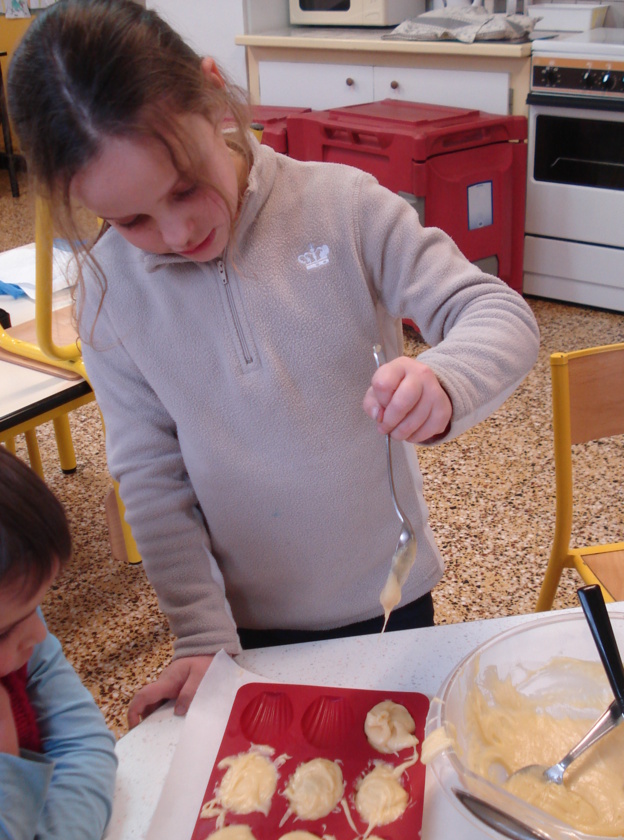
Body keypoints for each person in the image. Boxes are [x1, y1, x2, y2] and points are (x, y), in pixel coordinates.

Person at [8, 0, 539, 729]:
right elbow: (153, 479)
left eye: (186, 185)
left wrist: (446, 380)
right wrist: (199, 632)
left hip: (388, 596)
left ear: (211, 95)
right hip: (243, 629)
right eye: (130, 221)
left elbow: (499, 315)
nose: (176, 231)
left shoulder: (343, 206)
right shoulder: (109, 296)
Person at [0, 448, 117, 840]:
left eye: (39, 608)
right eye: (6, 630)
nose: (39, 638)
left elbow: (86, 744)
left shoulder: (26, 639)